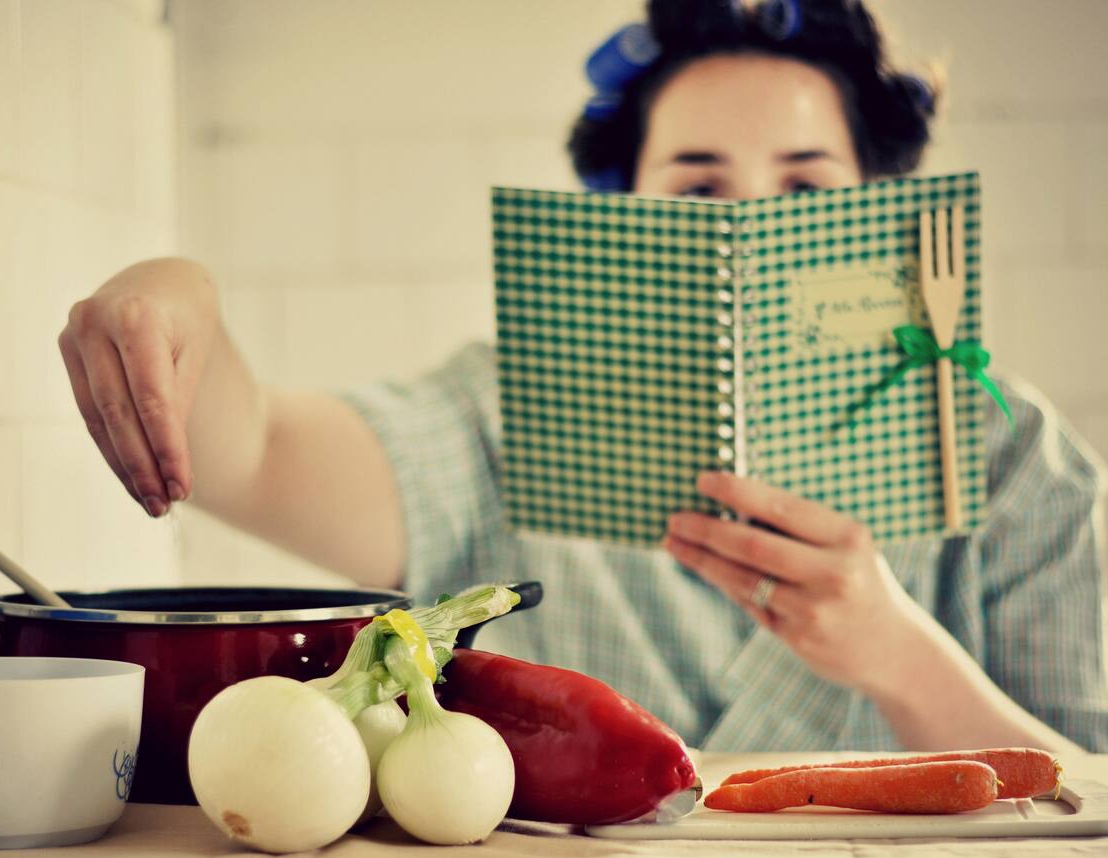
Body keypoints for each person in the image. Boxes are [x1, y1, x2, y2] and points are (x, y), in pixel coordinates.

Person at [58, 0, 1106, 754]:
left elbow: (1087, 805)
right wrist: (177, 293)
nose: (747, 227)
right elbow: (256, 449)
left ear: (875, 211)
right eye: (696, 190)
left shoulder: (1018, 461)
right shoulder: (502, 413)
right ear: (625, 219)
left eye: (805, 189)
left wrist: (897, 655)